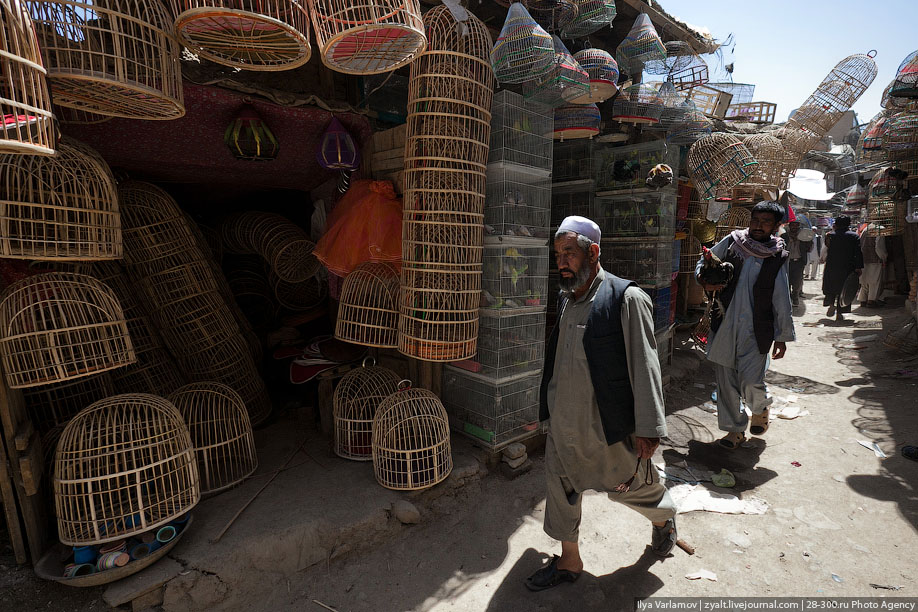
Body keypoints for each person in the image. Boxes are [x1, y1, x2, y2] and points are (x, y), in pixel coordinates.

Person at [527, 216, 677, 592]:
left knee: (629, 488)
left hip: (605, 426)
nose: (562, 261)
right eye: (558, 254)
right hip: (564, 422)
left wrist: (648, 428)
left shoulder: (626, 298)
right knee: (559, 489)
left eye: (570, 253)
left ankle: (663, 518)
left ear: (593, 252)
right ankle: (569, 561)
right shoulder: (567, 298)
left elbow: (645, 368)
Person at [695, 201, 795, 449]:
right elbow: (704, 261)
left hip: (756, 329)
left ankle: (760, 408)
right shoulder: (732, 242)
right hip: (725, 323)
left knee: (750, 380)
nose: (758, 226)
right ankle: (734, 431)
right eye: (755, 220)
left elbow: (781, 298)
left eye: (765, 222)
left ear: (776, 226)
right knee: (726, 381)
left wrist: (781, 336)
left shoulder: (776, 256)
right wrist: (705, 281)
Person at [821, 216, 863, 321]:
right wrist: (858, 267)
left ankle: (831, 304)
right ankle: (840, 312)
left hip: (832, 266)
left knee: (831, 287)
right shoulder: (854, 236)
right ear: (848, 224)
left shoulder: (830, 236)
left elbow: (825, 249)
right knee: (845, 289)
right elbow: (858, 253)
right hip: (847, 267)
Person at [857, 225, 887, 308]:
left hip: (864, 258)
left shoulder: (866, 229)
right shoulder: (880, 229)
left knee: (865, 280)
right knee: (874, 280)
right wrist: (883, 257)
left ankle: (863, 299)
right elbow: (879, 247)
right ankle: (871, 300)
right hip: (875, 259)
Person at [783, 221, 807, 306]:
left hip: (799, 262)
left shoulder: (803, 237)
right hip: (787, 262)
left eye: (796, 226)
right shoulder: (784, 236)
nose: (794, 227)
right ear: (789, 226)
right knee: (787, 281)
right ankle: (788, 299)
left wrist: (803, 240)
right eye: (792, 225)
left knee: (797, 282)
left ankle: (795, 297)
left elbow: (808, 248)